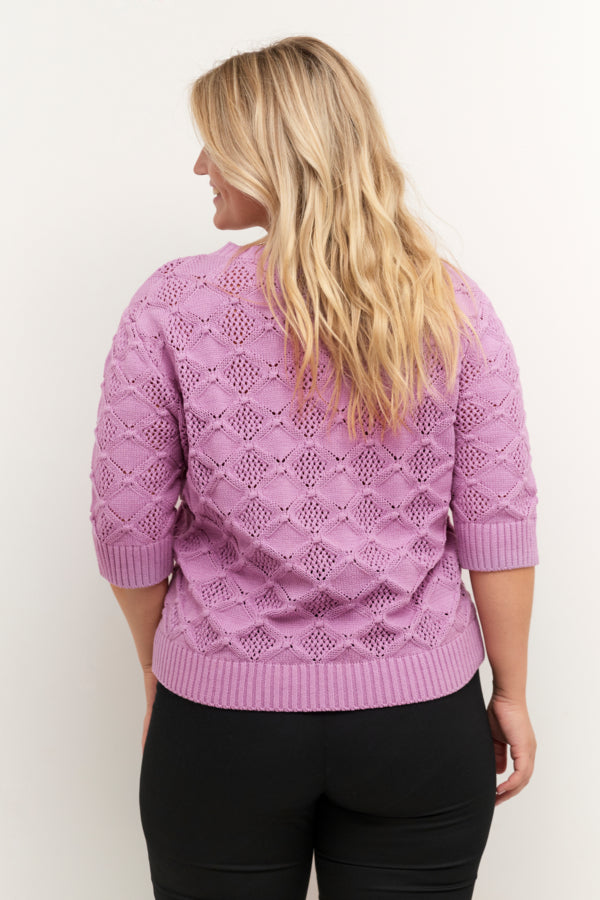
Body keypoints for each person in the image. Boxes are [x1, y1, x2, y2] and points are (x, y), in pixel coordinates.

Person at [89, 34, 539, 900]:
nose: (198, 166)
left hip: (220, 724)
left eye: (215, 144)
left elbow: (127, 527)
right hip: (420, 721)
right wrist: (511, 692)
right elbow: (500, 520)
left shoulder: (169, 307)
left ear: (273, 152)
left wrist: (161, 671)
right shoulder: (449, 304)